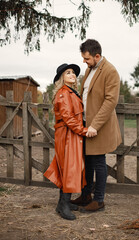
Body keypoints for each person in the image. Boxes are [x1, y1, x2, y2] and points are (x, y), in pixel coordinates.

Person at [71, 39, 122, 212]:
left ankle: (99, 200)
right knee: (88, 161)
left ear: (97, 56)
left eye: (86, 58)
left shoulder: (110, 71)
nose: (84, 62)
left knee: (99, 162)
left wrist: (95, 126)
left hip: (99, 126)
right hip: (86, 124)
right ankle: (86, 195)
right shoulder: (89, 69)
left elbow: (110, 101)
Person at [44, 63, 88, 220]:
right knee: (68, 167)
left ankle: (63, 203)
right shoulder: (63, 94)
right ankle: (64, 205)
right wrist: (84, 131)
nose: (72, 75)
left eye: (74, 73)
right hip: (67, 134)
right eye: (68, 72)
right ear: (61, 77)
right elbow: (68, 118)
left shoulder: (71, 92)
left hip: (72, 134)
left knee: (70, 167)